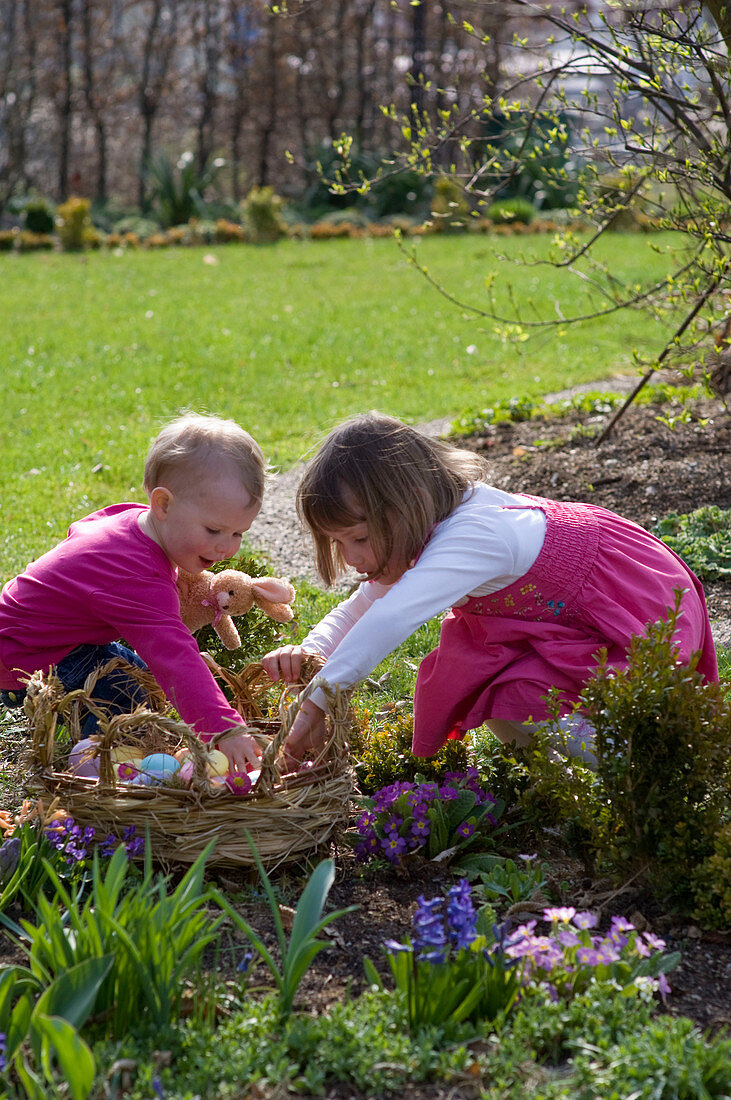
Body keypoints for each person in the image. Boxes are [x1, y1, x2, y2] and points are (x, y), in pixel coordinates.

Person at [262, 412, 718, 768]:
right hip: (570, 619)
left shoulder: (474, 535)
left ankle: (642, 762)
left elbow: (391, 618)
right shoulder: (428, 526)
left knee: (530, 695)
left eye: (358, 539)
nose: (350, 558)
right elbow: (362, 608)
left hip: (634, 608)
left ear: (410, 504)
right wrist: (311, 651)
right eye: (338, 544)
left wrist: (315, 707)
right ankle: (555, 784)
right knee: (499, 690)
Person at [0, 412, 266, 771]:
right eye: (214, 530)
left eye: (238, 533)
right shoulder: (136, 577)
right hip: (28, 657)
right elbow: (175, 660)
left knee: (145, 681)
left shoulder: (132, 520)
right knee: (125, 693)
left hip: (36, 637)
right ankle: (101, 767)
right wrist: (224, 729)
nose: (227, 548)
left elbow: (80, 533)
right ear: (164, 505)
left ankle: (130, 750)